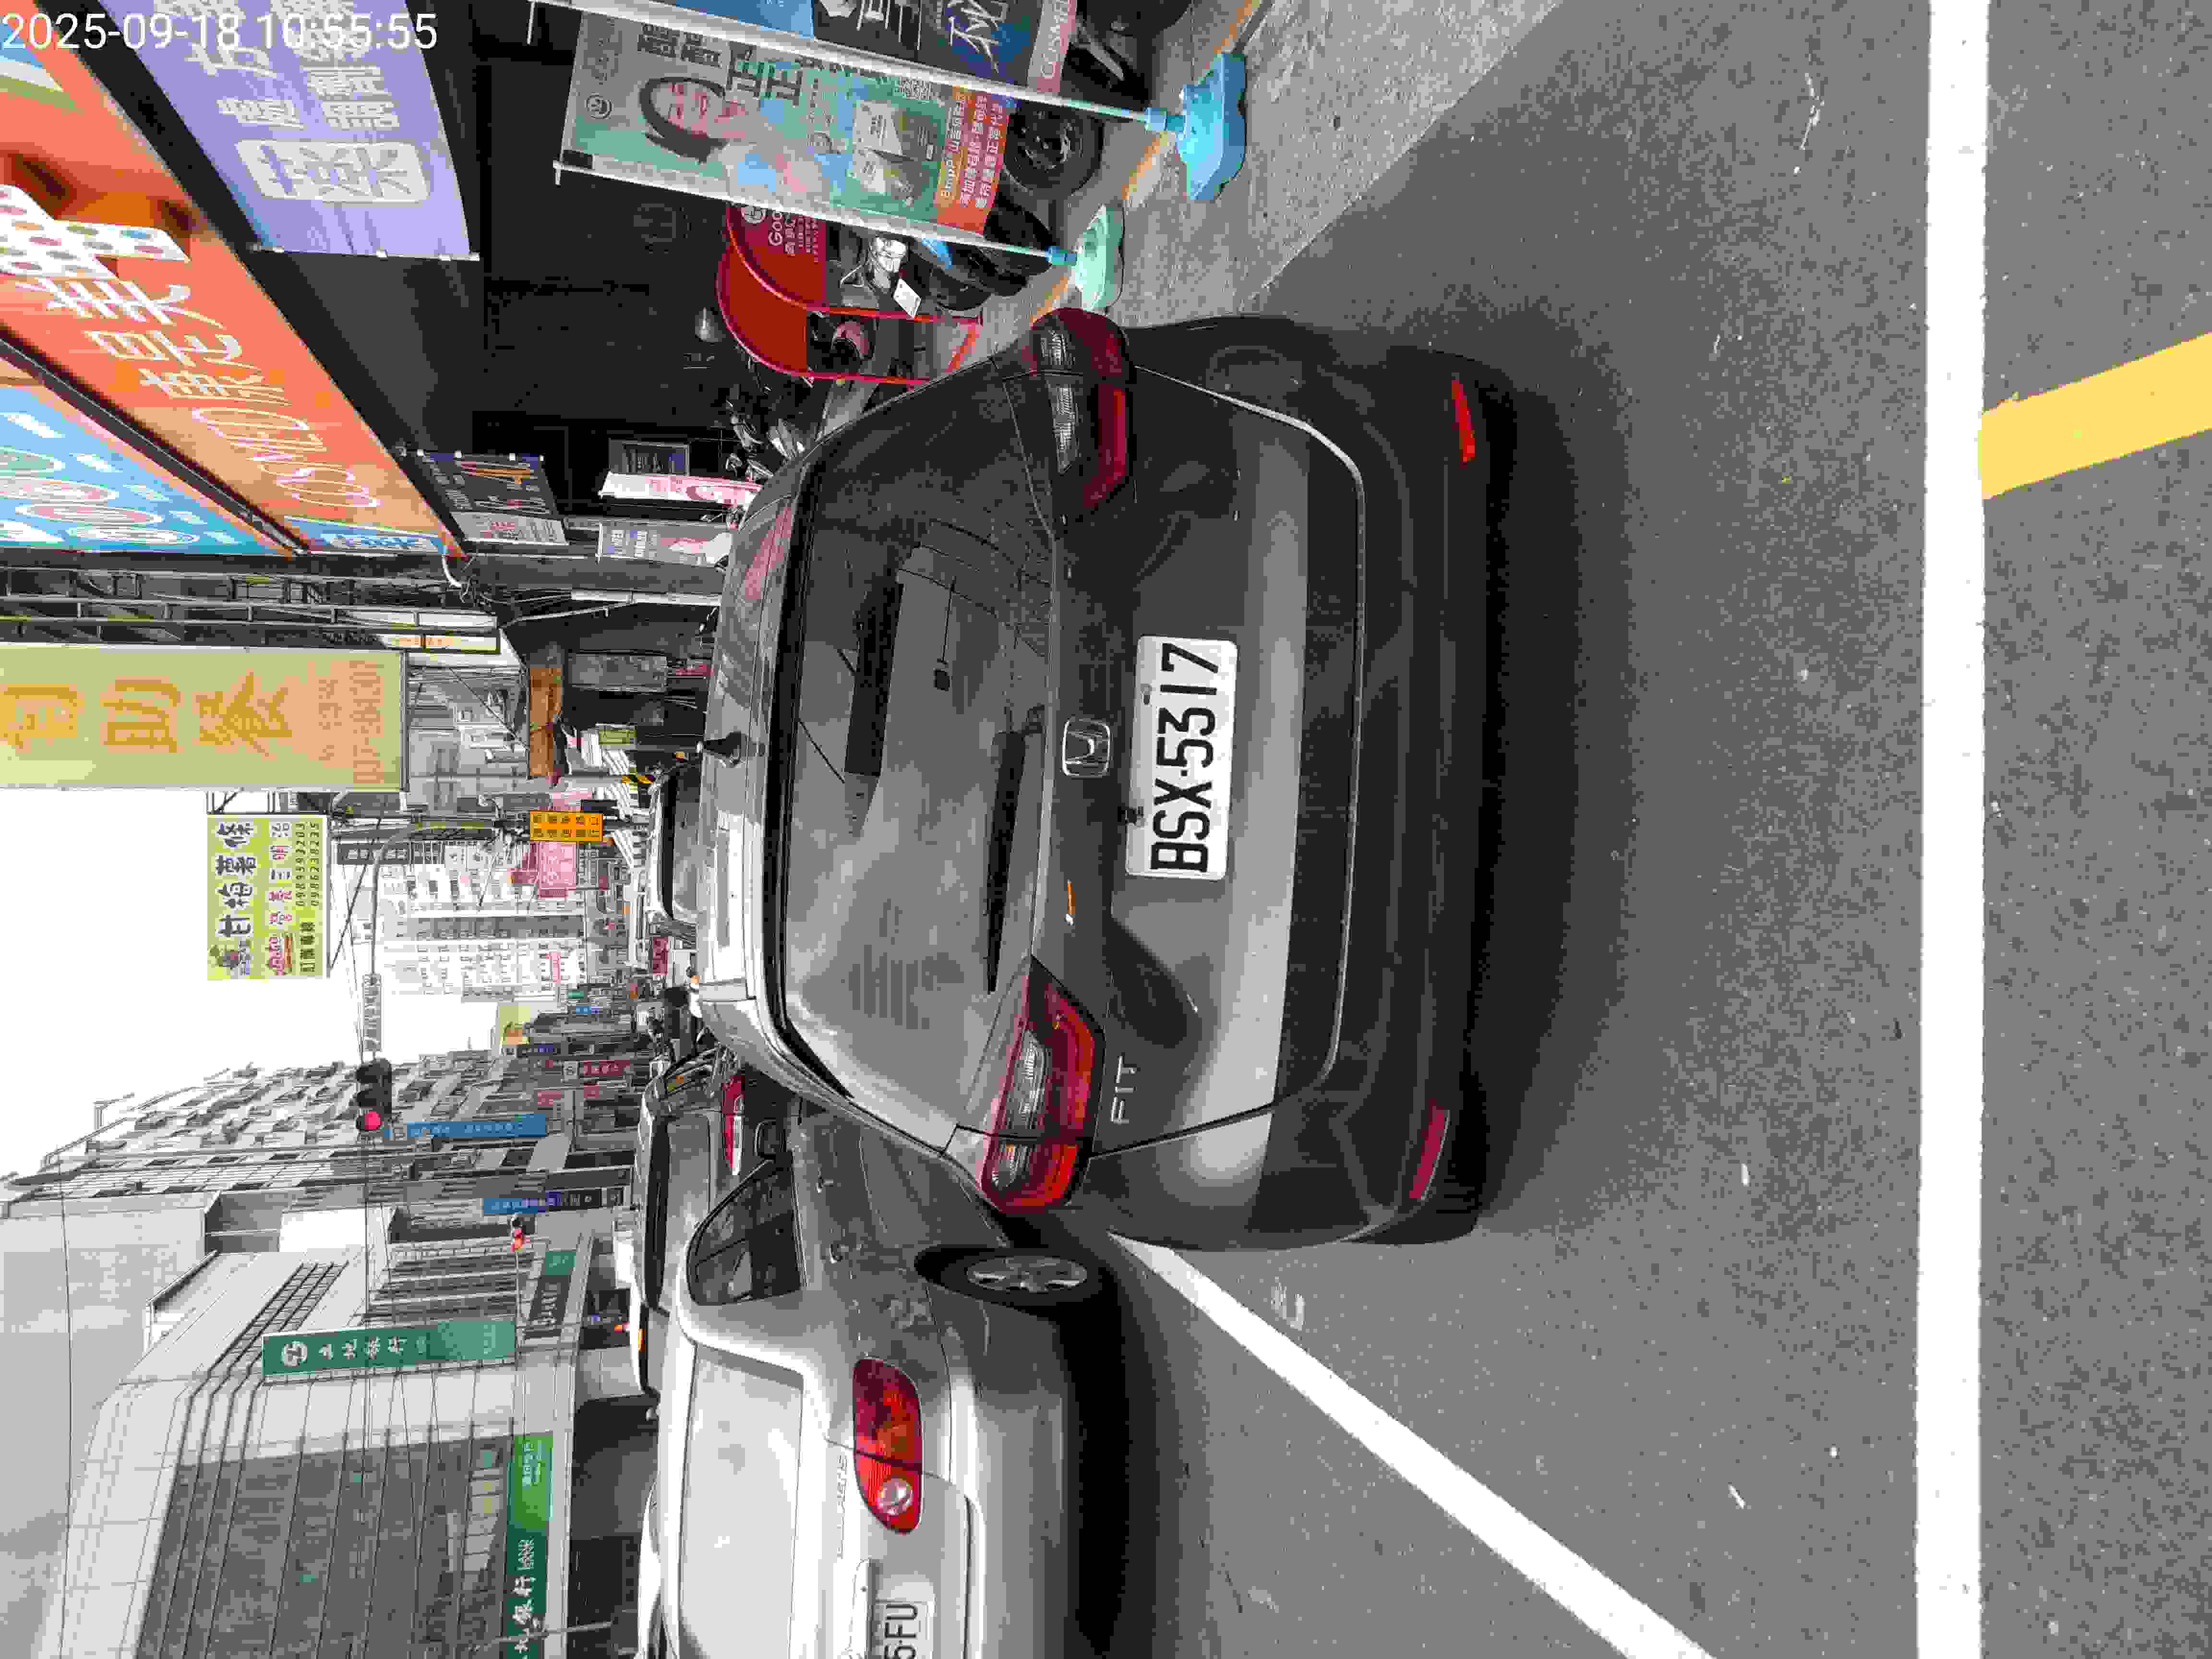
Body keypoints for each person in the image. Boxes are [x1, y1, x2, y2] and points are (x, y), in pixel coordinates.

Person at [635, 76, 829, 200]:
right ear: (685, 133)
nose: (691, 101)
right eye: (678, 111)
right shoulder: (745, 172)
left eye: (681, 90)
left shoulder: (758, 87)